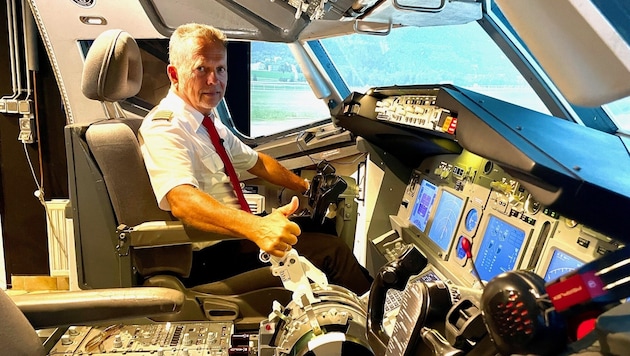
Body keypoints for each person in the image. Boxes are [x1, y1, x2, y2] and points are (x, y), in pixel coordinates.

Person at [139, 23, 372, 295]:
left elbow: (257, 162)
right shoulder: (165, 126)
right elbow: (182, 201)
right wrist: (257, 228)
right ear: (174, 74)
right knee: (333, 252)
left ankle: (375, 294)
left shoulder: (206, 120)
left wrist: (304, 187)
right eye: (202, 69)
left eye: (221, 69)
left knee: (321, 228)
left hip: (232, 238)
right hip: (208, 254)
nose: (214, 80)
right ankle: (376, 322)